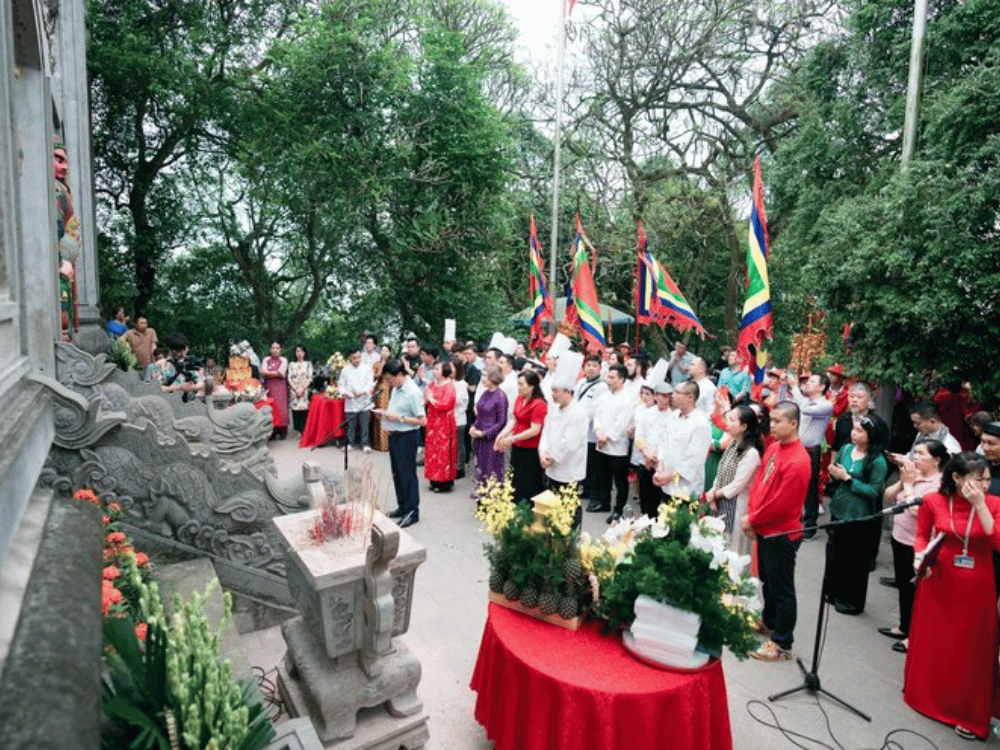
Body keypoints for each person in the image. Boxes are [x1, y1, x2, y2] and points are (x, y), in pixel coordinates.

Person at [903, 452, 1000, 740]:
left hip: (978, 585)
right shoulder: (934, 500)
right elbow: (922, 535)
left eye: (988, 480)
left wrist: (980, 505)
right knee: (936, 642)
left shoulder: (994, 504)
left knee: (970, 648)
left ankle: (966, 712)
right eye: (978, 480)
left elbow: (997, 541)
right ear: (956, 478)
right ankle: (926, 696)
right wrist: (918, 557)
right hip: (939, 578)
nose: (984, 485)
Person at [744, 402, 811, 661]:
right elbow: (759, 483)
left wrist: (753, 519)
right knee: (768, 581)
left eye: (777, 421)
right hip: (763, 527)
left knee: (782, 589)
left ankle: (783, 643)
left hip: (781, 533)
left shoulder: (798, 460)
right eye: (770, 420)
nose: (771, 426)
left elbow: (783, 505)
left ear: (793, 424)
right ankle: (769, 621)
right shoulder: (774, 447)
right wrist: (753, 517)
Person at [878, 439, 947, 652]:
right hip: (900, 536)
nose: (915, 458)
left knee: (916, 590)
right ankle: (903, 626)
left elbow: (919, 512)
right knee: (903, 586)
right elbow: (888, 495)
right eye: (914, 453)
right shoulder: (912, 475)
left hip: (918, 544)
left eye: (921, 454)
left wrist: (909, 486)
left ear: (936, 460)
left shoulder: (939, 484)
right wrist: (904, 481)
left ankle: (913, 636)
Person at [826, 416, 888, 614]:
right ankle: (832, 592)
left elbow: (874, 491)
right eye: (854, 429)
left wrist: (848, 479)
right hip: (839, 508)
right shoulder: (845, 449)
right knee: (835, 554)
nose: (854, 434)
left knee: (853, 560)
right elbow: (836, 468)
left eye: (860, 431)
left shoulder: (877, 460)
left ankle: (850, 600)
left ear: (871, 435)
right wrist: (834, 473)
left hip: (859, 515)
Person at [538, 352, 589, 528]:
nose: (552, 395)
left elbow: (570, 442)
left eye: (556, 391)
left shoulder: (578, 413)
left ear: (568, 392)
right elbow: (546, 432)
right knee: (552, 509)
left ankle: (571, 540)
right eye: (552, 390)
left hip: (569, 468)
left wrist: (552, 457)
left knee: (569, 510)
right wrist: (542, 453)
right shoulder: (554, 408)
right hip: (551, 465)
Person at [705, 405, 763, 557]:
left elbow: (737, 485)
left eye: (732, 420)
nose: (727, 423)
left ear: (744, 427)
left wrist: (714, 494)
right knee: (717, 546)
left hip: (737, 505)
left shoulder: (751, 453)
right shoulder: (733, 444)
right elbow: (721, 470)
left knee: (732, 550)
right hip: (720, 500)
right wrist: (713, 491)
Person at [377, 359, 426, 528]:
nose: (388, 383)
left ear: (399, 375)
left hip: (407, 436)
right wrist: (385, 414)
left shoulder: (412, 392)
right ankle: (403, 506)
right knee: (397, 474)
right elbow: (395, 411)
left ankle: (412, 512)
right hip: (394, 435)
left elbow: (422, 420)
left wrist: (400, 418)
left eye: (390, 379)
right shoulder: (397, 389)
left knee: (407, 475)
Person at [786, 371, 834, 540]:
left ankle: (810, 526)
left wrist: (794, 387)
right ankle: (794, 521)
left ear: (822, 387)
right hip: (797, 447)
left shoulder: (826, 405)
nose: (807, 383)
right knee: (794, 485)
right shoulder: (804, 400)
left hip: (812, 450)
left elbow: (805, 410)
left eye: (812, 381)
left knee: (809, 489)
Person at [652, 380, 712, 502]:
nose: (672, 396)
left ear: (690, 397)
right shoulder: (674, 416)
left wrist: (670, 476)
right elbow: (663, 442)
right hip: (666, 483)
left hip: (686, 489)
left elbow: (694, 459)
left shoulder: (701, 423)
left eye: (677, 393)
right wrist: (659, 467)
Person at [496, 370, 548, 504]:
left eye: (521, 384)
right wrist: (502, 433)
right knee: (515, 479)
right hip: (517, 445)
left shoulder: (539, 404)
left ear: (531, 387)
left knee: (528, 482)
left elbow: (535, 430)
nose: (518, 387)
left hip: (530, 448)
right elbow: (514, 419)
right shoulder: (520, 398)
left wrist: (512, 438)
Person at [593, 365, 634, 522]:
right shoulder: (604, 396)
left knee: (620, 480)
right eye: (608, 376)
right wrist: (599, 431)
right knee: (604, 476)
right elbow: (597, 416)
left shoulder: (626, 399)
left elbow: (621, 423)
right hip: (601, 441)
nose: (608, 380)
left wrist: (607, 436)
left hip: (617, 445)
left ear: (621, 380)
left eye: (612, 377)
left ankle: (619, 509)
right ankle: (604, 502)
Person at [576, 355, 609, 512]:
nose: (590, 368)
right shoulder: (581, 382)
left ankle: (595, 497)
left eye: (594, 366)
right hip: (579, 430)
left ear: (600, 368)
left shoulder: (602, 386)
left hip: (591, 431)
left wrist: (579, 418)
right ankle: (586, 489)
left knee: (595, 466)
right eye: (588, 365)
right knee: (585, 463)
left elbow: (594, 409)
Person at [471, 367, 508, 489]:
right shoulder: (485, 393)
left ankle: (493, 495)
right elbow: (480, 414)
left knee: (492, 468)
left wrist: (485, 433)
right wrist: (474, 426)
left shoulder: (501, 396)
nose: (483, 379)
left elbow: (501, 421)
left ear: (493, 378)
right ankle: (482, 492)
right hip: (479, 436)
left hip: (492, 439)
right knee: (480, 465)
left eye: (486, 376)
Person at [423, 360, 458, 492]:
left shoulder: (449, 386)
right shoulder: (432, 384)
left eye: (438, 369)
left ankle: (445, 482)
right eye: (435, 368)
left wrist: (431, 399)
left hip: (444, 422)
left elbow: (446, 405)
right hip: (432, 421)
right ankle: (434, 479)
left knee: (443, 450)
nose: (435, 371)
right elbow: (425, 399)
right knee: (432, 449)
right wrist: (427, 398)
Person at [339, 349, 374, 451]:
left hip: (364, 400)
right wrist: (345, 393)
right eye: (354, 358)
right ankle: (350, 443)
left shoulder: (367, 369)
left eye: (359, 357)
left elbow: (370, 384)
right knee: (351, 424)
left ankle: (365, 444)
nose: (357, 360)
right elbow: (341, 385)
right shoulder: (345, 370)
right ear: (350, 358)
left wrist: (363, 391)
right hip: (351, 401)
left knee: (364, 424)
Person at [261, 342, 290, 439]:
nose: (275, 350)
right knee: (270, 408)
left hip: (281, 388)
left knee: (282, 408)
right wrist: (275, 373)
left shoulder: (284, 360)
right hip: (269, 388)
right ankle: (272, 432)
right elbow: (262, 372)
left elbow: (281, 373)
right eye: (273, 348)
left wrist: (268, 373)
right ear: (270, 349)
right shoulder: (266, 359)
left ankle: (282, 432)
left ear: (280, 350)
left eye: (277, 348)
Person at [287, 345, 314, 435]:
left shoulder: (308, 364)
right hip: (294, 390)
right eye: (297, 351)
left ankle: (304, 430)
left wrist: (302, 388)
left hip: (304, 389)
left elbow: (310, 378)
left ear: (304, 353)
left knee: (304, 409)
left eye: (301, 351)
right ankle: (298, 430)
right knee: (295, 409)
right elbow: (289, 378)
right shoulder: (291, 364)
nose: (299, 353)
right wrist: (295, 388)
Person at [372, 344, 393, 452]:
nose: (384, 353)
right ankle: (378, 444)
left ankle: (388, 444)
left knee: (389, 414)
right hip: (380, 390)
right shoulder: (376, 364)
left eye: (386, 351)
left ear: (390, 353)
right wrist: (382, 367)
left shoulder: (392, 364)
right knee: (379, 415)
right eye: (382, 350)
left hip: (391, 389)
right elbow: (374, 377)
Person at [451, 356, 469, 479]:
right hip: (448, 418)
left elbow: (456, 400)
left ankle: (459, 467)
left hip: (458, 418)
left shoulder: (461, 384)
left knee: (458, 444)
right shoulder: (447, 382)